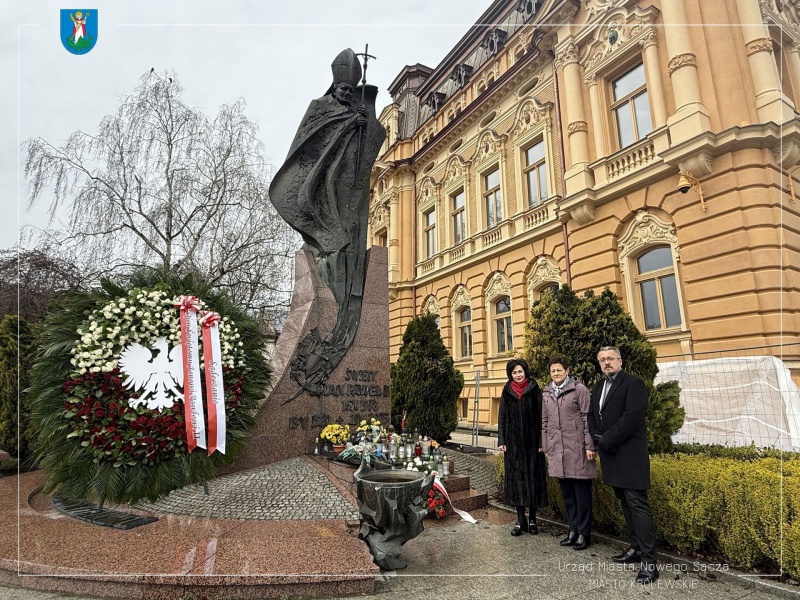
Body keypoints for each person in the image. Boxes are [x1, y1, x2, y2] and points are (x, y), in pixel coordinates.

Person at [268, 48, 386, 399]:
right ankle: (334, 303)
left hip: (352, 193)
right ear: (335, 85)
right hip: (322, 190)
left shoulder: (360, 110)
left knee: (348, 244)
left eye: (351, 90)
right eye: (343, 90)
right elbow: (307, 148)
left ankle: (344, 311)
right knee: (333, 245)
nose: (348, 94)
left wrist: (368, 121)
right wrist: (349, 123)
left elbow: (372, 146)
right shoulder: (319, 109)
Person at [587, 346, 659, 584]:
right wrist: (598, 436)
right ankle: (635, 548)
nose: (606, 363)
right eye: (602, 360)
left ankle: (649, 562)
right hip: (611, 455)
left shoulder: (633, 384)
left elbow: (632, 417)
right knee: (624, 503)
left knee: (638, 505)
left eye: (610, 359)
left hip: (629, 455)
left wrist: (605, 439)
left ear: (620, 361)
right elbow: (591, 415)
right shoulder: (599, 386)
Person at [541, 356, 596, 551]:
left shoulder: (578, 390)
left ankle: (584, 533)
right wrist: (546, 447)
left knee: (582, 494)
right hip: (558, 451)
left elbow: (588, 418)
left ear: (567, 370)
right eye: (552, 371)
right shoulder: (547, 393)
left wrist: (590, 445)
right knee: (568, 495)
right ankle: (572, 530)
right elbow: (545, 422)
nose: (556, 373)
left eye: (559, 370)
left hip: (578, 449)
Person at [497, 358, 547, 536]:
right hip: (513, 445)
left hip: (533, 444)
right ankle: (520, 520)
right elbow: (502, 417)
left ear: (525, 372)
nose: (518, 375)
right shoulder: (506, 390)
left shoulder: (534, 389)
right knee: (517, 481)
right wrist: (501, 440)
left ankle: (533, 519)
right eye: (514, 372)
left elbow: (543, 417)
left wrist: (542, 442)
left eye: (520, 371)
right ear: (510, 374)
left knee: (533, 479)